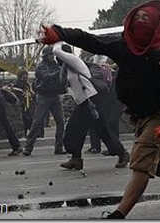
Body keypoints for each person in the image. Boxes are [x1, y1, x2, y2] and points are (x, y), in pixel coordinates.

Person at [37, 0, 160, 219]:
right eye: (138, 18)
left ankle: (119, 214)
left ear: (156, 27)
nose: (140, 23)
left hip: (159, 117)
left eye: (146, 20)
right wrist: (59, 32)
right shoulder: (123, 46)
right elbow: (90, 40)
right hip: (139, 116)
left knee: (141, 164)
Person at [51, 43, 129, 171]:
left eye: (58, 58)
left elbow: (57, 51)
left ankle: (77, 158)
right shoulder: (67, 68)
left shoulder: (75, 62)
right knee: (99, 131)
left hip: (91, 101)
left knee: (74, 130)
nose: (56, 60)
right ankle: (120, 154)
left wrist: (57, 40)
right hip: (84, 102)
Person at [22, 46, 66, 156]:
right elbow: (46, 77)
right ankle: (28, 147)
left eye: (53, 55)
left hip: (55, 95)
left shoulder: (56, 65)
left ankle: (58, 147)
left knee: (61, 121)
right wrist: (60, 71)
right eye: (50, 55)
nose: (52, 57)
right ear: (46, 56)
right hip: (43, 96)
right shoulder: (40, 67)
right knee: (37, 122)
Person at [11, 69, 35, 138]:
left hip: (27, 104)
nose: (26, 77)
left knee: (28, 118)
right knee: (25, 119)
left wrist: (29, 92)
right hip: (21, 104)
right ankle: (25, 133)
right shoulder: (18, 84)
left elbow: (31, 92)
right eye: (25, 75)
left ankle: (29, 133)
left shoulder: (26, 84)